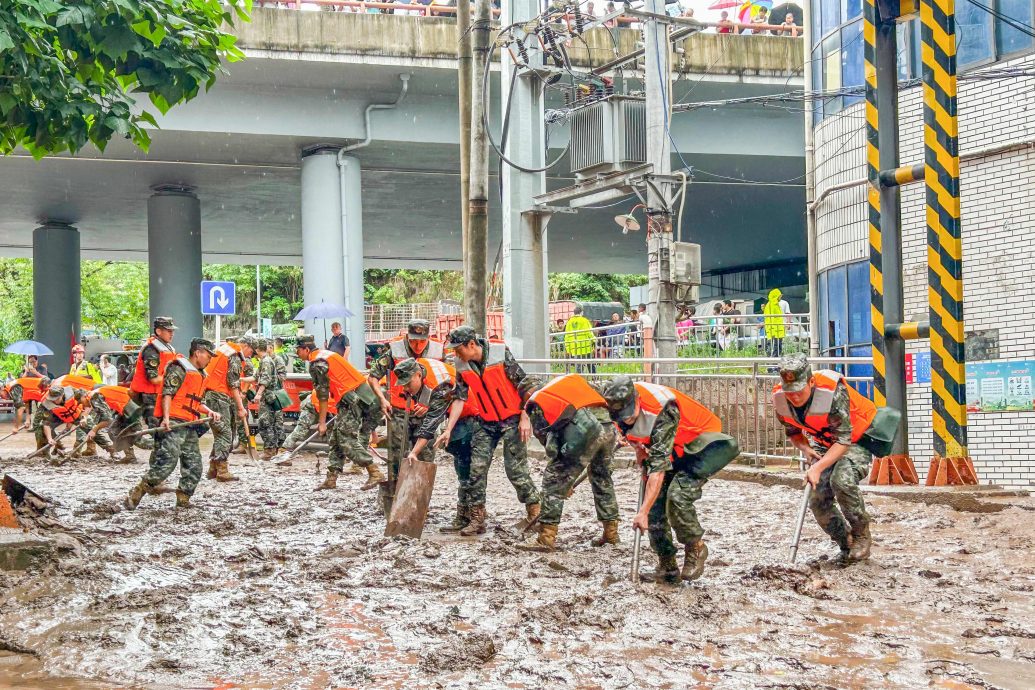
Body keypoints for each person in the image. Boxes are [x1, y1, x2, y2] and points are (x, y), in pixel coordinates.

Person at [601, 376, 739, 583]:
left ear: (637, 399)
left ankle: (696, 547)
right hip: (673, 449)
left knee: (677, 496)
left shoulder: (663, 410)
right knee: (655, 506)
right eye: (621, 416)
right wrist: (639, 449)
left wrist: (641, 512)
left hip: (701, 445)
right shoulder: (616, 407)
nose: (626, 419)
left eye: (629, 413)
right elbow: (633, 433)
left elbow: (658, 469)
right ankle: (667, 567)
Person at [772, 353, 878, 563]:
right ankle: (846, 543)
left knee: (841, 481)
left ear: (811, 382)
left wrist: (818, 467)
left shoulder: (833, 392)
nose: (794, 397)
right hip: (825, 442)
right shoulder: (780, 399)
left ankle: (861, 535)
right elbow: (793, 433)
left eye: (799, 391)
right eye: (789, 392)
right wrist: (806, 449)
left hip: (857, 438)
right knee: (817, 499)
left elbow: (844, 440)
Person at [448, 326, 541, 536]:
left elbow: (524, 386)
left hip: (512, 419)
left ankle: (535, 511)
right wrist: (448, 429)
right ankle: (477, 518)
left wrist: (525, 417)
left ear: (471, 344)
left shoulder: (500, 353)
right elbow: (459, 398)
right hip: (485, 421)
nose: (456, 353)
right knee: (476, 470)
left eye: (458, 348)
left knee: (515, 470)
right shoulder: (461, 365)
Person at [518, 374, 620, 552]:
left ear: (526, 395)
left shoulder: (538, 402)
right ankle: (611, 534)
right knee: (602, 478)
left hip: (586, 431)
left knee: (553, 480)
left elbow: (551, 446)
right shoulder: (563, 385)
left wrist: (564, 480)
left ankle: (546, 538)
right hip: (607, 426)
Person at [124, 338, 223, 511]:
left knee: (194, 465)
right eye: (208, 356)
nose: (209, 360)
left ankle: (183, 499)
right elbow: (167, 394)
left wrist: (209, 412)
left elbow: (196, 402)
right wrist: (166, 418)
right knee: (166, 463)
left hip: (190, 424)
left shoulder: (201, 375)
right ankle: (138, 492)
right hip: (174, 423)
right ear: (198, 353)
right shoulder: (179, 368)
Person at [295, 335, 386, 491]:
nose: (297, 354)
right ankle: (331, 478)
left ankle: (374, 471)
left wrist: (322, 423)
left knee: (346, 439)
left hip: (352, 399)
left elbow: (323, 395)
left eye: (298, 351)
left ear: (306, 349)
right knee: (337, 438)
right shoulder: (326, 354)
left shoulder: (317, 363)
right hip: (359, 396)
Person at [386, 358, 462, 515]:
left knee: (465, 467)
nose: (405, 389)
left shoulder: (439, 384)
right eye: (403, 385)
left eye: (408, 384)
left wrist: (414, 452)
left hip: (469, 412)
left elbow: (431, 424)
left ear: (418, 375)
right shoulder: (419, 368)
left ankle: (469, 511)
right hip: (451, 409)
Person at [202, 337, 252, 481]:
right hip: (219, 396)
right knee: (225, 433)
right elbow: (233, 384)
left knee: (221, 433)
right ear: (245, 346)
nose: (250, 355)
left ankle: (214, 468)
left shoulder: (224, 350)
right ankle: (222, 470)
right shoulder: (234, 355)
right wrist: (241, 408)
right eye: (251, 351)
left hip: (214, 395)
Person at [129, 317, 179, 434]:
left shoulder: (166, 347)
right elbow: (154, 379)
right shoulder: (152, 349)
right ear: (158, 331)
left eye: (172, 331)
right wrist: (174, 379)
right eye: (169, 331)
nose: (172, 333)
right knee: (157, 430)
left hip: (159, 393)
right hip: (149, 395)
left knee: (162, 429)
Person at [81, 385, 153, 462]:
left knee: (136, 438)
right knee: (115, 431)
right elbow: (99, 415)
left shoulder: (94, 397)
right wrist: (87, 421)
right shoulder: (93, 395)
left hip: (130, 408)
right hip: (127, 407)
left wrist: (94, 430)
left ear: (83, 397)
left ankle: (158, 444)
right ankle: (130, 456)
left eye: (80, 401)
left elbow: (107, 420)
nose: (82, 405)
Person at [33, 383, 87, 457]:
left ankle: (88, 450)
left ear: (62, 395)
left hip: (76, 413)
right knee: (40, 427)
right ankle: (45, 452)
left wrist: (84, 417)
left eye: (57, 399)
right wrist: (50, 439)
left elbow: (87, 404)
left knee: (90, 426)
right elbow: (46, 423)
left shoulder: (74, 393)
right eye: (53, 399)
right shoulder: (47, 404)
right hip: (58, 416)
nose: (55, 401)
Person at [253, 337, 286, 461]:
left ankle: (274, 449)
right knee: (268, 423)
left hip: (272, 396)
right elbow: (256, 376)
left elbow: (271, 378)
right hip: (269, 396)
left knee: (271, 423)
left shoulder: (271, 360)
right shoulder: (264, 360)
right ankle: (272, 449)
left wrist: (259, 393)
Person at [564, 306, 596, 373]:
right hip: (585, 346)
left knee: (578, 365)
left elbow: (567, 335)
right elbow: (589, 332)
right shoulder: (584, 320)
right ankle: (594, 377)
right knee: (590, 363)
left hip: (574, 347)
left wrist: (568, 348)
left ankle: (580, 377)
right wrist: (594, 340)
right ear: (581, 312)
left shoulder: (569, 322)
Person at [763, 288, 789, 358]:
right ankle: (773, 362)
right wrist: (774, 330)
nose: (780, 297)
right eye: (779, 296)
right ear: (776, 296)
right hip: (775, 330)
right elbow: (771, 318)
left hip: (777, 329)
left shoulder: (773, 304)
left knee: (777, 347)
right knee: (775, 347)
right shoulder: (772, 305)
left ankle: (775, 362)